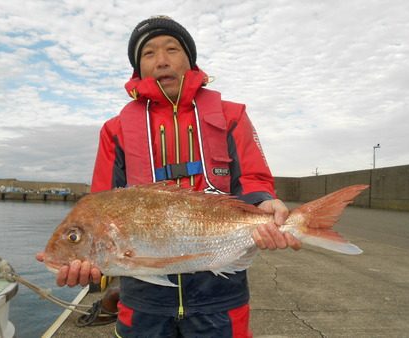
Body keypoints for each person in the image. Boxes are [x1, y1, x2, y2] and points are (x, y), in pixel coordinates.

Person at [37, 15, 301, 337]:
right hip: (143, 301)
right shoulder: (116, 130)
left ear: (189, 60)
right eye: (148, 53)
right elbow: (101, 201)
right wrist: (87, 263)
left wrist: (264, 204)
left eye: (172, 49)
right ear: (139, 68)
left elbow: (253, 181)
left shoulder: (232, 116)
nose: (161, 61)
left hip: (220, 295)